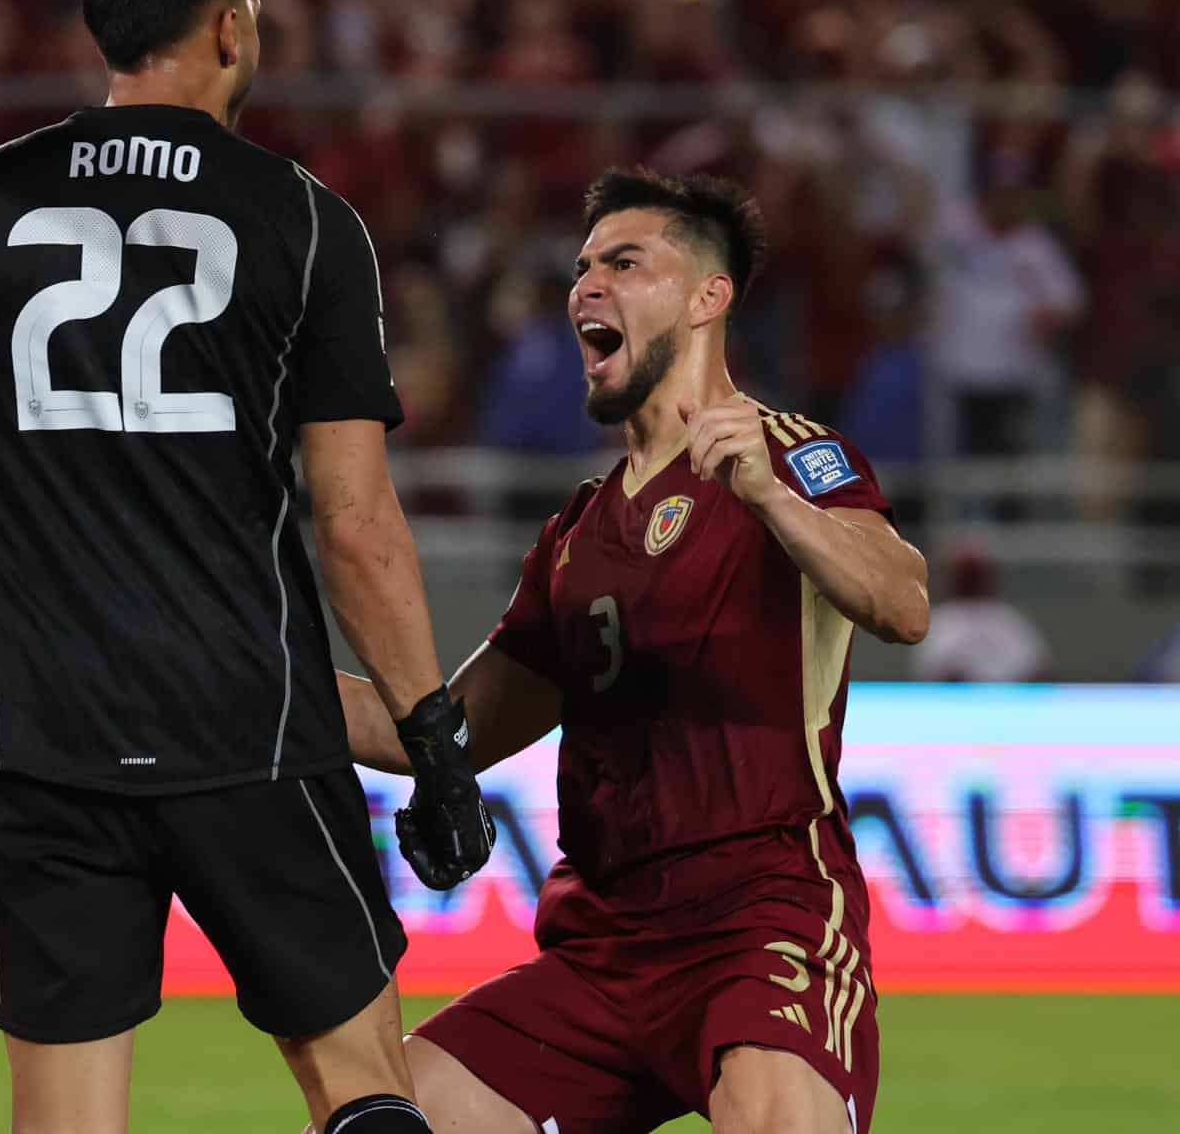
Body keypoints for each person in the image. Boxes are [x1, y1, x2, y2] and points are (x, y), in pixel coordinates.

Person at [0, 0, 492, 1134]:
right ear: (230, 25)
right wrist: (434, 740)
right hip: (251, 725)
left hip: (42, 734)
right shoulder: (307, 222)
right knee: (363, 1085)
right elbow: (355, 520)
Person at [340, 170, 930, 1134]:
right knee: (382, 1116)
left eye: (623, 262)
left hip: (761, 919)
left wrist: (773, 500)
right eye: (580, 269)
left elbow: (903, 605)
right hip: (603, 947)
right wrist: (242, 671)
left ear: (709, 297)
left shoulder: (789, 454)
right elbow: (433, 733)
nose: (585, 288)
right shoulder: (577, 534)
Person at [909, 544, 1049, 683]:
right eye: (967, 574)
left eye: (976, 574)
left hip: (1009, 701)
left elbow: (1037, 668)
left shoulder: (1007, 618)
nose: (972, 580)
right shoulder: (939, 621)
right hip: (957, 701)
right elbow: (933, 672)